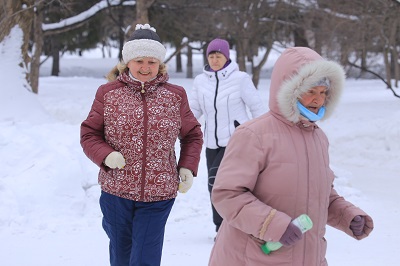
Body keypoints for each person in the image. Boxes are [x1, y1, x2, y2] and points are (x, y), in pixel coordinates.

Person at [208, 46, 374, 266]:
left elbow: (319, 193)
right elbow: (227, 195)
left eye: (323, 93)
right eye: (311, 91)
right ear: (291, 89)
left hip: (308, 257)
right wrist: (273, 225)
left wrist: (347, 216)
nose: (318, 100)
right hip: (255, 257)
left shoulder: (318, 138)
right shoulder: (254, 134)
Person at [80, 23, 203, 266]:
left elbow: (192, 135)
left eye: (152, 62)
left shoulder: (175, 95)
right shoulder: (108, 93)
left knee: (145, 257)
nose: (146, 68)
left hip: (159, 194)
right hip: (116, 191)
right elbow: (89, 134)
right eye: (139, 61)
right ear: (127, 63)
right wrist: (106, 156)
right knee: (122, 254)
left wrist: (187, 167)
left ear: (160, 64)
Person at [189, 38, 266, 234]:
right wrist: (176, 125)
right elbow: (193, 110)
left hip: (236, 141)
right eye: (211, 56)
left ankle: (233, 227)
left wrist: (263, 137)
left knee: (221, 182)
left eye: (219, 56)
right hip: (211, 144)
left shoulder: (240, 79)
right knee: (213, 188)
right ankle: (222, 228)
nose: (215, 60)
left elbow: (257, 107)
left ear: (227, 57)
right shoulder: (200, 81)